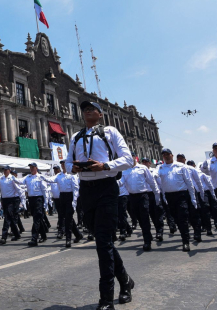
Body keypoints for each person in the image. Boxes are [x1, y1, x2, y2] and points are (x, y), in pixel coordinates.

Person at [66, 101, 134, 310]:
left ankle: (106, 299)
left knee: (103, 244)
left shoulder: (110, 132)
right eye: (84, 109)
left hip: (106, 188)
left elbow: (128, 160)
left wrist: (105, 165)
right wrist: (74, 168)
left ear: (100, 114)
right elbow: (68, 163)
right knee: (103, 242)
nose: (86, 111)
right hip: (87, 191)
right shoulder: (75, 136)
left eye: (91, 108)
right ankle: (125, 280)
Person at [158, 148, 197, 252]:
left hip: (181, 195)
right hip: (169, 196)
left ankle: (185, 241)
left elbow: (189, 182)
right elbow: (161, 184)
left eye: (168, 154)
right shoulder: (161, 168)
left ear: (172, 155)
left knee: (182, 217)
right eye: (164, 155)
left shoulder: (181, 166)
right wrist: (164, 197)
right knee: (176, 218)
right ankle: (184, 235)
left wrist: (193, 197)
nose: (166, 156)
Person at [123, 158, 161, 251]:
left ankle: (147, 241)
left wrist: (157, 194)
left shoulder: (143, 168)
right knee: (139, 218)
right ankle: (148, 235)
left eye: (131, 157)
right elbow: (121, 183)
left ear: (134, 158)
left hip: (143, 195)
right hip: (132, 197)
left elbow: (151, 181)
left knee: (144, 218)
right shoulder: (124, 170)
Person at [43, 160, 83, 248]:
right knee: (67, 217)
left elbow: (76, 189)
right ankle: (78, 234)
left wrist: (74, 201)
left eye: (64, 164)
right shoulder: (59, 175)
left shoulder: (72, 175)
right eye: (62, 165)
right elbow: (51, 180)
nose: (63, 166)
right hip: (62, 197)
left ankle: (68, 239)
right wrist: (42, 177)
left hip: (70, 196)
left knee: (68, 219)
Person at [13, 162, 49, 247]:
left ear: (36, 168)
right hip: (31, 199)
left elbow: (44, 190)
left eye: (33, 167)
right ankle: (43, 235)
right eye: (30, 167)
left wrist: (46, 201)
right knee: (37, 218)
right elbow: (20, 181)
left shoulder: (40, 177)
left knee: (36, 219)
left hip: (39, 199)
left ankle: (34, 238)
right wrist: (12, 177)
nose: (31, 169)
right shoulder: (27, 177)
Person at [0, 165, 23, 244]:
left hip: (12, 200)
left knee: (7, 218)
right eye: (4, 170)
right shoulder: (2, 178)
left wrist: (22, 200)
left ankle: (4, 237)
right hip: (5, 200)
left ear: (9, 170)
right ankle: (17, 234)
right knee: (10, 218)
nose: (5, 171)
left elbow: (18, 189)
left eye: (6, 170)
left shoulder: (12, 178)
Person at [177, 154, 203, 243]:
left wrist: (201, 193)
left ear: (185, 159)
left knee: (194, 214)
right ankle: (186, 234)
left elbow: (198, 181)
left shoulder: (191, 169)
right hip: (181, 193)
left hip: (192, 191)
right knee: (183, 214)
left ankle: (197, 233)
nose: (180, 160)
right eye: (178, 159)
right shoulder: (175, 169)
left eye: (181, 158)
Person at [186, 161, 215, 236]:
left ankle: (208, 228)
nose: (190, 166)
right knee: (196, 212)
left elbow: (208, 184)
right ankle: (201, 227)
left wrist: (212, 194)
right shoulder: (186, 173)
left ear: (194, 165)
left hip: (202, 193)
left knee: (205, 210)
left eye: (191, 164)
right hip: (193, 193)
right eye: (188, 164)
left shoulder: (201, 174)